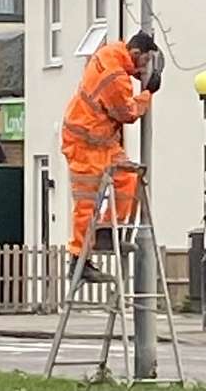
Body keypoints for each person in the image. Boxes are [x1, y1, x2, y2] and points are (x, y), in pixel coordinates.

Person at [61, 31, 162, 282]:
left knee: (128, 177)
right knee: (86, 202)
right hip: (85, 142)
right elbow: (126, 112)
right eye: (145, 61)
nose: (144, 68)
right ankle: (78, 260)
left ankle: (108, 230)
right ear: (136, 54)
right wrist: (147, 93)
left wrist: (138, 75)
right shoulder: (117, 77)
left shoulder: (112, 53)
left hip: (101, 140)